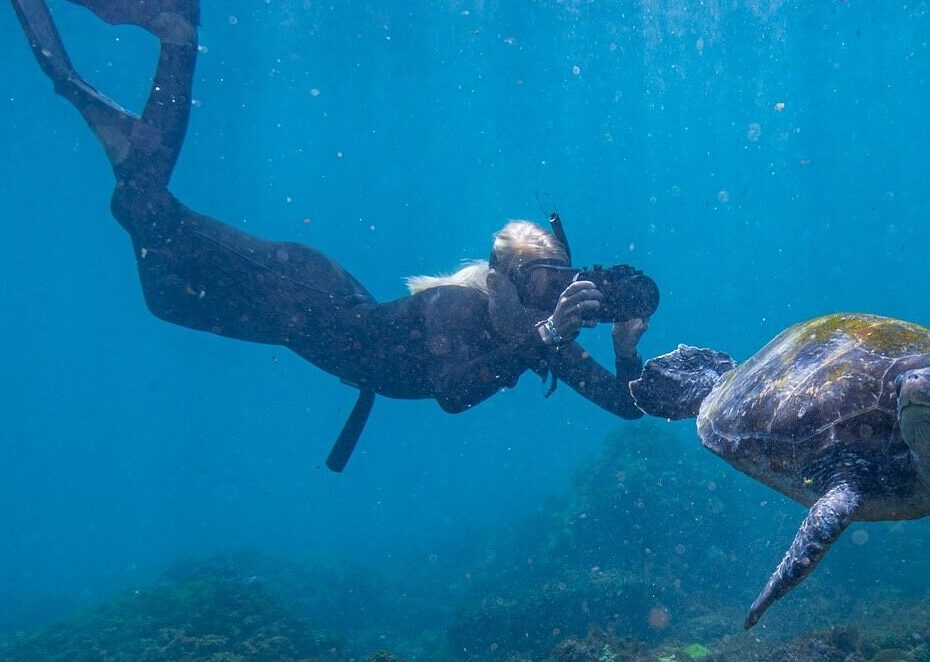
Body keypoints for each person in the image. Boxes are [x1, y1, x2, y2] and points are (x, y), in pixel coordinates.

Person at [11, 0, 652, 470]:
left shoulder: (537, 341)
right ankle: (177, 31)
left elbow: (624, 406)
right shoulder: (461, 310)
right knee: (144, 209)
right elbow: (454, 395)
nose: (550, 298)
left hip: (301, 325)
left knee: (161, 288)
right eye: (540, 282)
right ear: (498, 279)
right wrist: (546, 335)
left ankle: (130, 130)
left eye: (559, 285)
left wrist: (625, 347)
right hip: (298, 291)